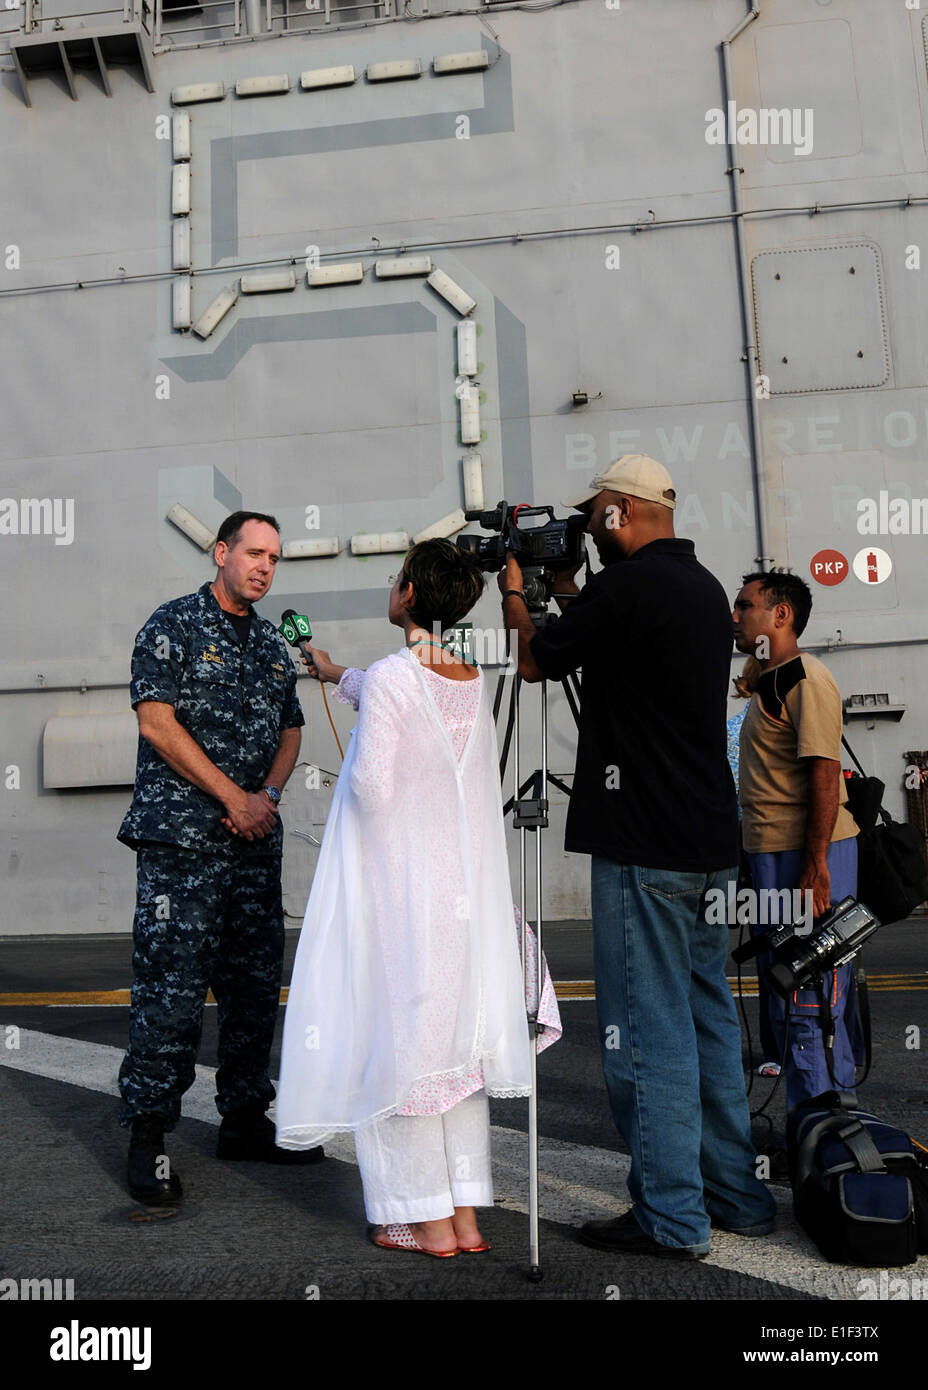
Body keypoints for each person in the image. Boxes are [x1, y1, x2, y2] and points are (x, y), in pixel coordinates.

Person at [500, 454, 776, 1258]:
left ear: (624, 510)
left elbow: (534, 660)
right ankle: (737, 1196)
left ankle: (672, 1218)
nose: (589, 529)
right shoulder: (701, 588)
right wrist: (569, 593)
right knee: (707, 1023)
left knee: (644, 1037)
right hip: (707, 843)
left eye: (596, 517)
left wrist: (518, 593)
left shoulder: (625, 590)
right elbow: (612, 638)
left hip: (642, 844)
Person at [275, 539, 558, 1256]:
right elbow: (394, 692)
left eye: (397, 577)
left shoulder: (402, 677)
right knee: (453, 1058)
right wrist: (342, 677)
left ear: (408, 595)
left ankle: (422, 1219)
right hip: (461, 902)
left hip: (403, 898)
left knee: (398, 1049)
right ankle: (463, 1215)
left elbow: (372, 785)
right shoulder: (461, 675)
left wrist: (357, 752)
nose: (392, 585)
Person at [117, 511, 321, 1205]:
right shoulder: (171, 624)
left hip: (253, 845)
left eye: (275, 557)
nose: (266, 566)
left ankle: (243, 1119)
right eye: (254, 553)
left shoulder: (270, 645)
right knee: (170, 993)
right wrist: (233, 796)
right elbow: (156, 721)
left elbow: (291, 731)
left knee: (254, 988)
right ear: (221, 552)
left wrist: (263, 794)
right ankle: (148, 1134)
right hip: (184, 845)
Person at [733, 569, 859, 1111]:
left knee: (809, 997)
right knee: (787, 990)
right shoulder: (773, 678)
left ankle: (824, 1132)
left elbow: (824, 774)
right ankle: (817, 1130)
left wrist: (815, 869)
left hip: (804, 855)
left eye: (745, 606)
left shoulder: (807, 679)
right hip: (771, 855)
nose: (734, 616)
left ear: (780, 615)